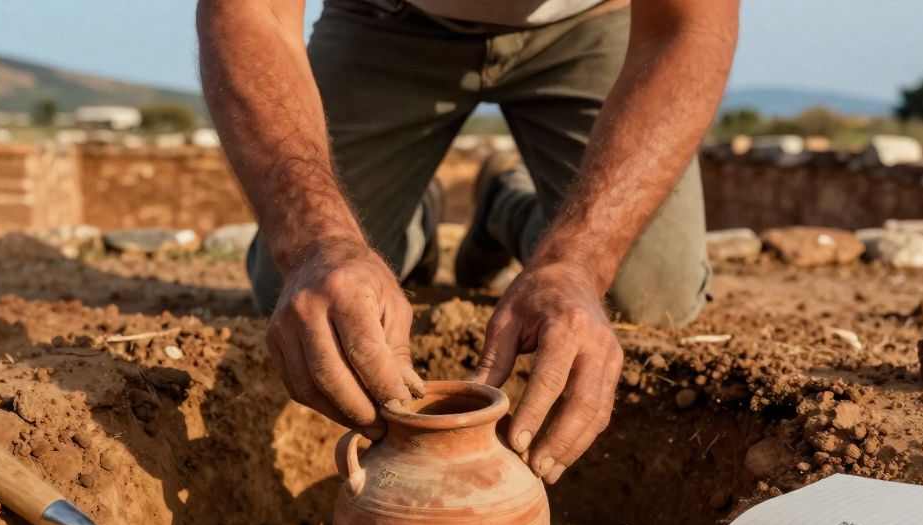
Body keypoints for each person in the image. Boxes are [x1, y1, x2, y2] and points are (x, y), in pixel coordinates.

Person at [196, 0, 738, 484]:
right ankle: (408, 218)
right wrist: (320, 243)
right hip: (385, 20)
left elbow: (689, 28)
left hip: (593, 23)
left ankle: (508, 207)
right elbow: (251, 11)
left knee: (648, 294)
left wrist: (575, 263)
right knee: (303, 297)